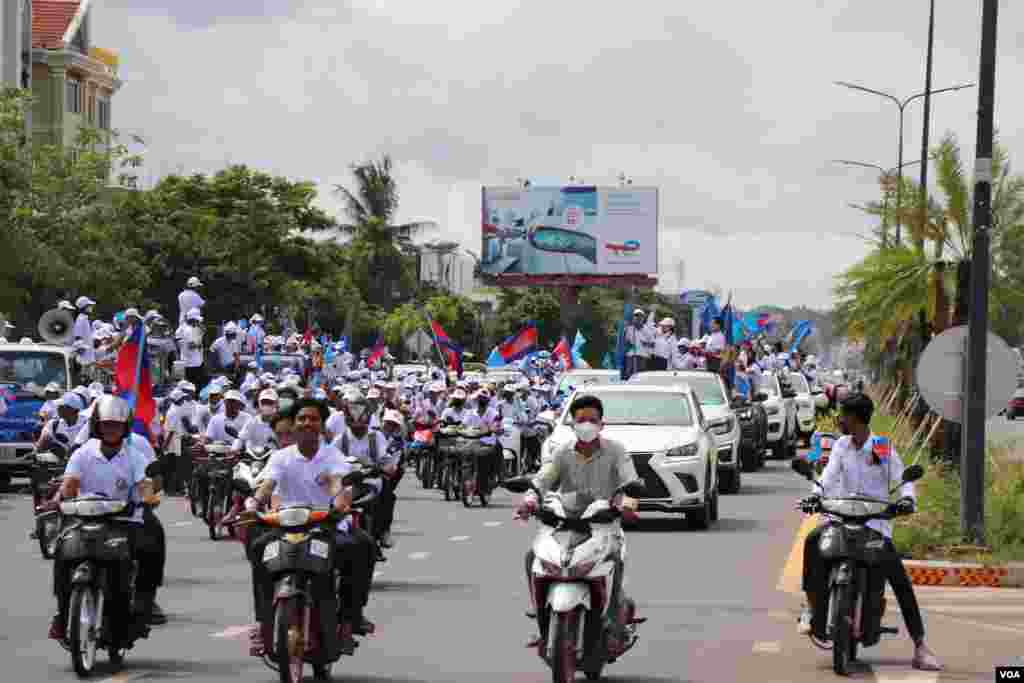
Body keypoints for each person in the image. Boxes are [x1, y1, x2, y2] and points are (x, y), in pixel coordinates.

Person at [797, 394, 941, 672]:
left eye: (844, 415)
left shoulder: (879, 447)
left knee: (899, 578)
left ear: (857, 418)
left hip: (873, 524)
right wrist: (815, 495)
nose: (839, 420)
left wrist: (907, 499)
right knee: (813, 541)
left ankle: (920, 646)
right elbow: (827, 477)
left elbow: (901, 479)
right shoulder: (842, 445)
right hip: (841, 518)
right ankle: (812, 607)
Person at [244, 399, 379, 657]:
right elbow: (268, 485)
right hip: (286, 525)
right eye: (302, 418)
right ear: (294, 425)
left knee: (362, 546)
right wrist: (254, 504)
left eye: (313, 419)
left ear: (321, 425)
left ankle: (351, 618)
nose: (307, 423)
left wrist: (339, 502)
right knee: (259, 547)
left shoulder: (333, 456)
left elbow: (337, 485)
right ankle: (263, 625)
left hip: (326, 526)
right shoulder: (281, 457)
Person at [515, 394, 642, 650]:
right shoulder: (562, 452)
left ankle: (614, 622)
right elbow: (542, 480)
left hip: (604, 526)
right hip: (564, 524)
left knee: (615, 561)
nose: (586, 425)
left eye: (591, 420)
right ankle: (541, 618)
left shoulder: (616, 451)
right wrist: (529, 501)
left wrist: (628, 506)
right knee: (533, 556)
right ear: (573, 424)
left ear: (601, 424)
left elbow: (631, 482)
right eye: (581, 420)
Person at [47, 396, 162, 644]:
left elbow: (144, 484)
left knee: (151, 542)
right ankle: (61, 612)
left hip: (124, 521)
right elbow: (70, 486)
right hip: (83, 518)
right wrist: (60, 499)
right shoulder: (83, 454)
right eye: (107, 424)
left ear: (125, 427)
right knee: (62, 554)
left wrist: (147, 496)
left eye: (117, 425)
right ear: (98, 426)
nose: (112, 429)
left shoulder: (134, 456)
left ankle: (143, 602)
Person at [176, 308, 206, 388]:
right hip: (192, 363)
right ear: (192, 319)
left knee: (191, 385)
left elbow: (203, 330)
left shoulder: (185, 328)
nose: (198, 322)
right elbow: (191, 345)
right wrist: (199, 345)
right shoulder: (188, 330)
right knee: (193, 385)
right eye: (197, 320)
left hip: (192, 361)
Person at [624, 309, 654, 376]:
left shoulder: (647, 330)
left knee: (640, 375)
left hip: (642, 356)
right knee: (629, 374)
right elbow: (625, 342)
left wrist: (645, 343)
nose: (638, 318)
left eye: (640, 316)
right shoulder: (629, 329)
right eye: (636, 316)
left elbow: (653, 344)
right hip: (631, 355)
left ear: (643, 318)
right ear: (633, 318)